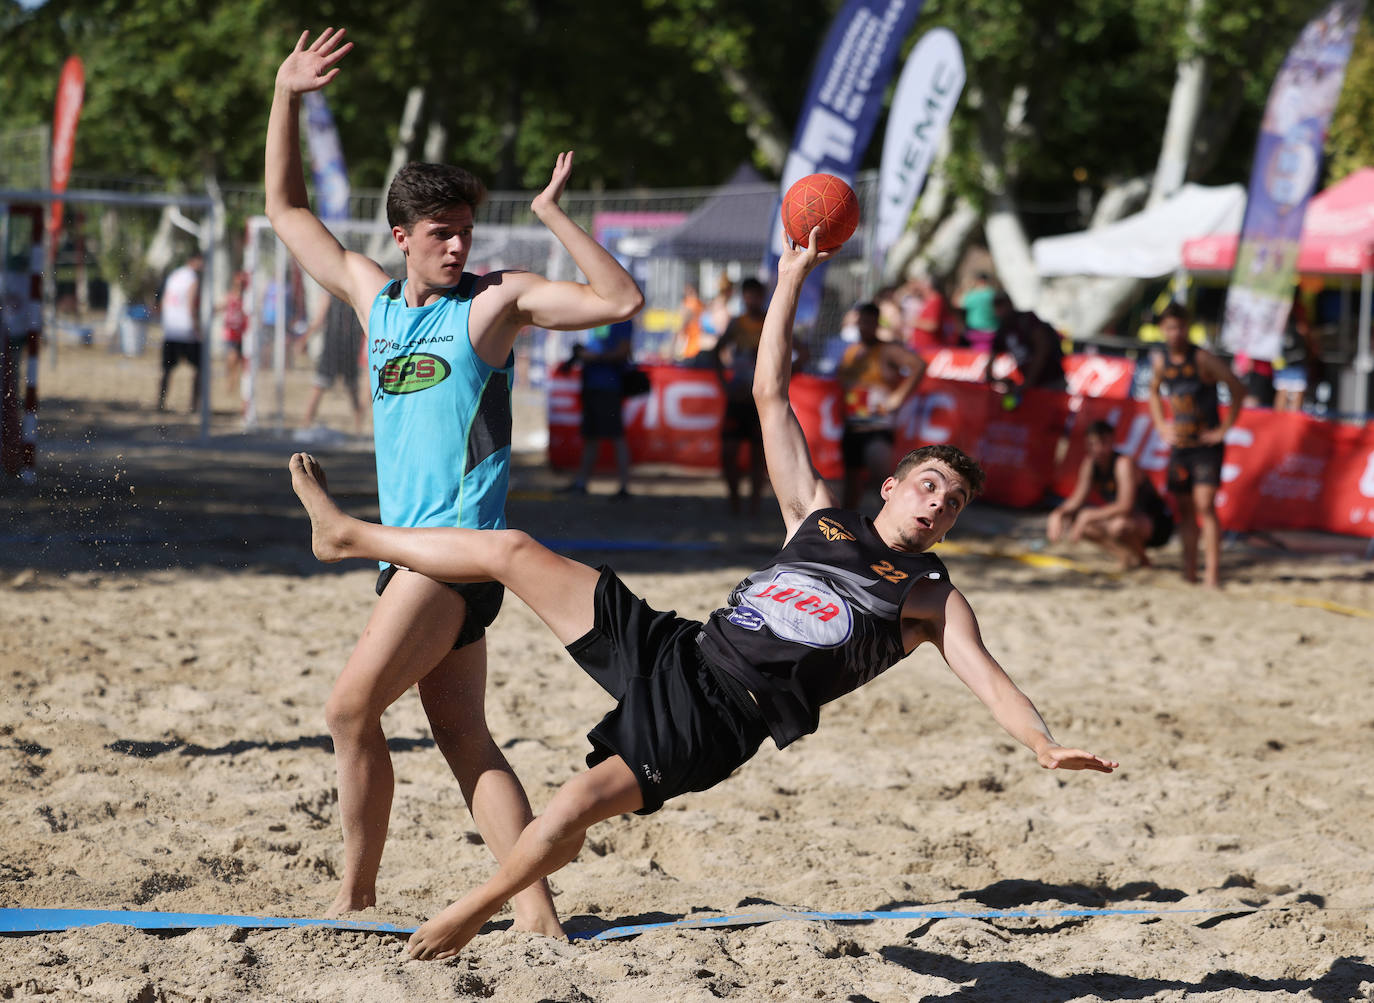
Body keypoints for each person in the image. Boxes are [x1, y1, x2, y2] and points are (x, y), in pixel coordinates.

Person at [286, 227, 1118, 962]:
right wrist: (791, 280)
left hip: (720, 718)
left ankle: (477, 910)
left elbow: (986, 674)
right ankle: (350, 535)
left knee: (575, 804)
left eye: (954, 504)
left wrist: (1040, 742)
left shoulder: (930, 595)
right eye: (931, 486)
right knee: (507, 548)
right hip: (678, 646)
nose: (939, 506)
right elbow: (769, 392)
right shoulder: (818, 516)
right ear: (895, 485)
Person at [266, 28, 643, 928]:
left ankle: (354, 900)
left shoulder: (494, 300)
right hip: (417, 561)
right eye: (440, 232)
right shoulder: (375, 297)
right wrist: (285, 96)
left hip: (455, 561)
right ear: (401, 237)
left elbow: (620, 302)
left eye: (465, 230)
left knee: (350, 709)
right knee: (466, 740)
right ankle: (539, 920)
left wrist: (555, 218)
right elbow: (285, 210)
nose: (456, 244)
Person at [1147, 302, 1246, 589]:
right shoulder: (1161, 362)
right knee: (1185, 510)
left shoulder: (1202, 359)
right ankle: (1189, 572)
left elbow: (1236, 387)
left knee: (1206, 505)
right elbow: (1154, 392)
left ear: (1187, 328)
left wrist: (1224, 429)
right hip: (1181, 445)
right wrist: (1161, 424)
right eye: (1169, 327)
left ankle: (1212, 574)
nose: (1175, 333)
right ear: (1162, 330)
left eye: (1179, 327)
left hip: (1205, 444)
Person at [1047, 420, 1173, 570]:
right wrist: (1057, 514)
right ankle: (1125, 556)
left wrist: (1088, 515)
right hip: (1130, 519)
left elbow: (1125, 506)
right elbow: (1076, 499)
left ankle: (1144, 561)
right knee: (1082, 523)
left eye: (1102, 443)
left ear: (1112, 441)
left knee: (1117, 525)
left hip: (1156, 523)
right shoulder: (1090, 464)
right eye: (1092, 444)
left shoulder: (1122, 463)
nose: (1097, 449)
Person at [836, 302, 927, 509]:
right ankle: (847, 530)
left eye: (869, 322)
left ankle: (889, 529)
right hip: (853, 425)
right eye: (861, 323)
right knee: (851, 483)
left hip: (877, 427)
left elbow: (918, 365)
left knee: (883, 482)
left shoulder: (887, 350)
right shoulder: (852, 352)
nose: (864, 327)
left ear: (877, 323)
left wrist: (899, 396)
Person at [712, 276, 767, 514]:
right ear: (743, 297)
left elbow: (800, 351)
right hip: (737, 399)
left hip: (761, 402)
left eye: (756, 295)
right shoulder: (737, 323)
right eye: (748, 295)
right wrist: (724, 384)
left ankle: (753, 507)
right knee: (728, 454)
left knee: (759, 457)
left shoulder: (770, 321)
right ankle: (734, 504)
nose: (751, 300)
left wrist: (783, 377)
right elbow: (715, 352)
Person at [561, 319, 633, 498]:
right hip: (592, 384)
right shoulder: (599, 317)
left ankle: (624, 486)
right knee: (590, 436)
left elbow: (624, 352)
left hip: (608, 386)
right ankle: (582, 482)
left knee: (616, 436)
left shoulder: (622, 318)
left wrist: (593, 357)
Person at [299, 291, 367, 436]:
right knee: (323, 387)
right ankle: (306, 423)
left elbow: (319, 320)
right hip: (337, 347)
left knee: (349, 389)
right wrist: (305, 339)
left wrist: (304, 340)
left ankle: (358, 428)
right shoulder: (348, 293)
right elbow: (320, 320)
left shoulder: (338, 293)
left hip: (341, 348)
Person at [983, 293, 1065, 394]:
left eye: (1002, 305)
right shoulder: (1003, 330)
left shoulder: (1026, 320)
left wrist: (1029, 380)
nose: (1000, 310)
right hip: (1031, 383)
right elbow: (993, 355)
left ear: (1010, 304)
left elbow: (1042, 348)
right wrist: (991, 377)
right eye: (997, 306)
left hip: (1051, 379)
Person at [156, 250, 203, 413]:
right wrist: (197, 327)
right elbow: (191, 304)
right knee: (199, 369)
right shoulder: (192, 278)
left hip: (171, 329)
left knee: (167, 370)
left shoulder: (174, 275)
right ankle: (193, 405)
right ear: (195, 260)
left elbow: (162, 300)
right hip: (187, 330)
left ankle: (160, 403)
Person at [219, 270, 248, 403]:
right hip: (231, 332)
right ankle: (230, 383)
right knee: (232, 359)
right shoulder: (230, 296)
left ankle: (235, 384)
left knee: (241, 362)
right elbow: (222, 307)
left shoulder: (247, 299)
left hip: (243, 334)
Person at [958, 272, 998, 351]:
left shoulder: (972, 295)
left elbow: (957, 303)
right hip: (993, 330)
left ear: (979, 281)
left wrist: (965, 288)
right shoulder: (994, 294)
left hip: (975, 331)